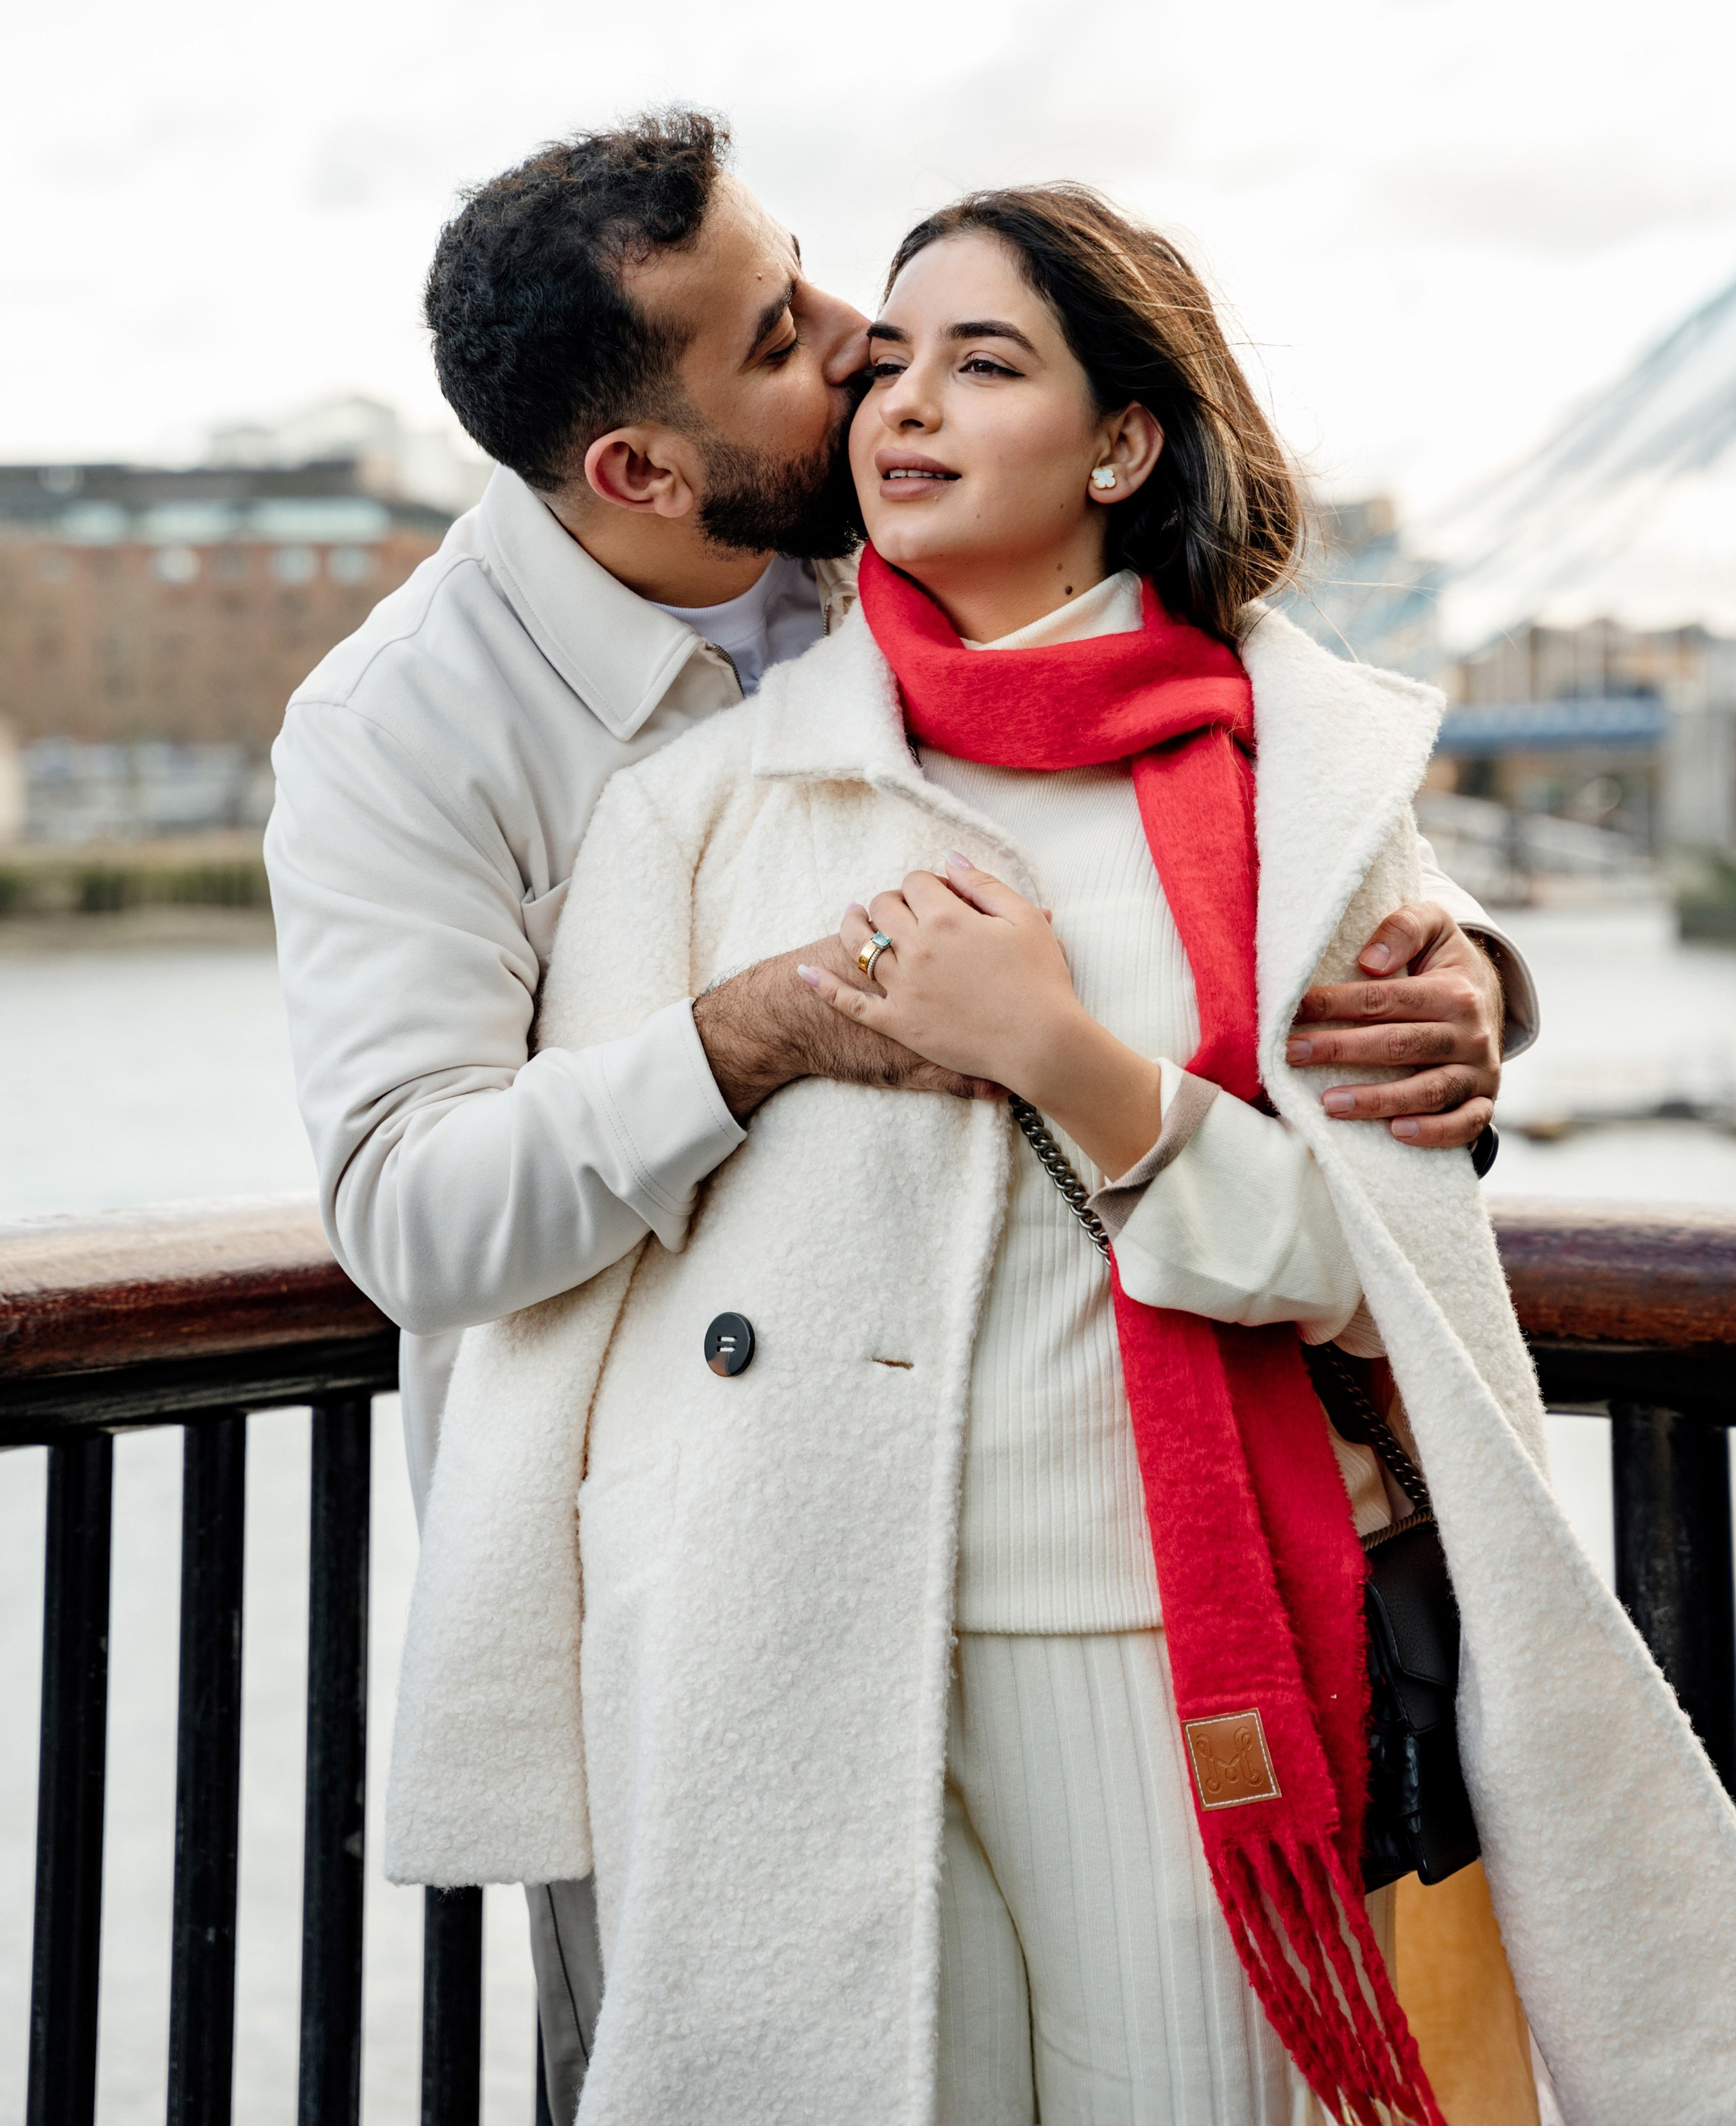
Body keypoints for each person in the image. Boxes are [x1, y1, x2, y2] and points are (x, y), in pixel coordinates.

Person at [384, 180, 1735, 2125]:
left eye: (986, 362)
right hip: (796, 1636)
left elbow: (1366, 1275)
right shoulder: (697, 806)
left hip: (1166, 1632)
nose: (899, 398)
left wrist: (1067, 1060)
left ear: (1122, 446)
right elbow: (571, 1290)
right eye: (892, 363)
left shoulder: (1304, 787)